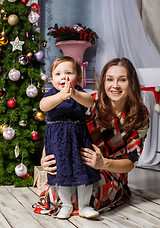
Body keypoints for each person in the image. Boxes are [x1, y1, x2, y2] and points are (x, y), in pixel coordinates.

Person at [34, 57, 149, 216]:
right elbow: (58, 127)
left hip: (109, 167)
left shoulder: (139, 115)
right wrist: (44, 158)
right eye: (110, 79)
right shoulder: (90, 102)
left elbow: (130, 162)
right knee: (57, 195)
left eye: (122, 80)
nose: (115, 85)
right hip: (74, 160)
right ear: (104, 83)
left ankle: (86, 204)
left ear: (132, 83)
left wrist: (104, 163)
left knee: (92, 192)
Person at [39, 56, 100, 219]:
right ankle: (66, 204)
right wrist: (61, 96)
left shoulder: (79, 93)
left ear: (78, 78)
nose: (64, 77)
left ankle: (85, 205)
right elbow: (43, 106)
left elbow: (89, 102)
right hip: (57, 140)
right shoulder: (51, 95)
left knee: (83, 171)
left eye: (69, 73)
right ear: (51, 79)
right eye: (58, 74)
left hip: (78, 138)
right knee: (61, 171)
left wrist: (73, 93)